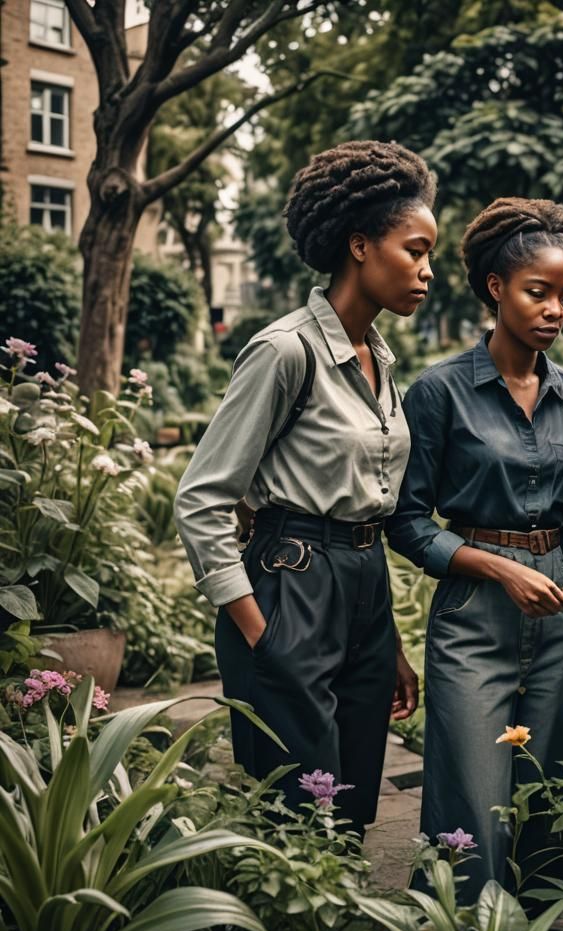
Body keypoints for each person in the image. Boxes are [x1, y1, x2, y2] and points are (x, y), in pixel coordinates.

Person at [174, 141, 436, 825]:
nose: (427, 271)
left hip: (363, 588)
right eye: (415, 250)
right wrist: (261, 635)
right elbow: (202, 498)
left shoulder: (380, 359)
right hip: (289, 581)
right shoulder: (285, 351)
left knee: (350, 809)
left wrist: (388, 641)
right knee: (298, 808)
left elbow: (365, 506)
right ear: (359, 245)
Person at [388, 197, 563, 899]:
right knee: (470, 811)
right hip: (472, 615)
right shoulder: (438, 392)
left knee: (549, 808)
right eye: (537, 292)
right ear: (496, 289)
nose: (554, 311)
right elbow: (406, 521)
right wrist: (495, 567)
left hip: (555, 624)